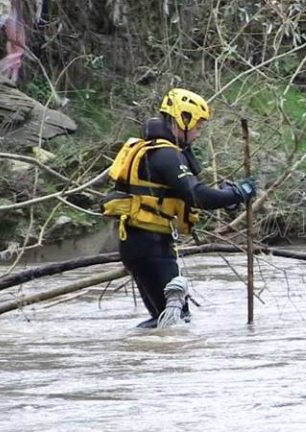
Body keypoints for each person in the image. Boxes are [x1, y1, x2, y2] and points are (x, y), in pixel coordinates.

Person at [102, 88, 257, 328]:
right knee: (176, 320)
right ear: (183, 119)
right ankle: (137, 353)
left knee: (166, 319)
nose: (198, 133)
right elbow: (197, 195)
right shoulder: (165, 154)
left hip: (143, 244)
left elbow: (184, 191)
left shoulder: (157, 151)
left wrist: (228, 196)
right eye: (198, 126)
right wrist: (238, 193)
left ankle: (144, 357)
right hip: (150, 246)